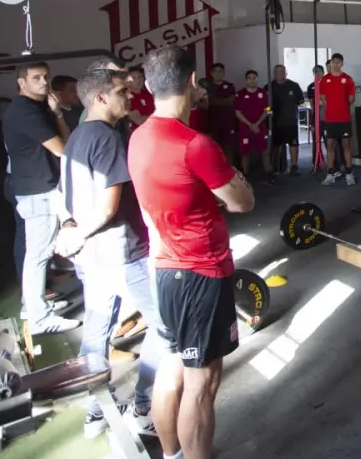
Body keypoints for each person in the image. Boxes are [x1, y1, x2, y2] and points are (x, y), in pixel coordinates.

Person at [129, 46, 255, 459]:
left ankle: (171, 455)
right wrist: (233, 180)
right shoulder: (195, 144)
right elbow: (242, 202)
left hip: (163, 268)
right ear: (193, 81)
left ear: (148, 86)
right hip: (201, 272)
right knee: (202, 384)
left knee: (172, 370)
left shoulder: (138, 136)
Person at [56, 68, 162, 439]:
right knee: (166, 327)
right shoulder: (106, 138)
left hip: (92, 257)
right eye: (121, 91)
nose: (128, 96)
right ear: (100, 97)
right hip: (121, 253)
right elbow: (107, 207)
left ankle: (96, 409)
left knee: (97, 330)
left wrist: (71, 232)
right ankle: (144, 407)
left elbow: (62, 193)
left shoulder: (77, 136)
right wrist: (76, 233)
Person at [2, 61, 79, 333]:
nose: (44, 82)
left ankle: (33, 306)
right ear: (22, 82)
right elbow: (62, 149)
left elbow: (66, 143)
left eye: (46, 77)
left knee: (39, 254)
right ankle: (39, 318)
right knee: (38, 255)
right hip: (37, 191)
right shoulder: (25, 112)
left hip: (42, 187)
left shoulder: (39, 109)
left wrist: (57, 114)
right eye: (36, 78)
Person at [319, 53, 357, 186]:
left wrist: (348, 100)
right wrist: (328, 105)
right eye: (333, 62)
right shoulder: (325, 79)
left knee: (346, 145)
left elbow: (351, 98)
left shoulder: (348, 79)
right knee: (330, 146)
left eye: (338, 62)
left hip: (344, 119)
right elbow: (322, 97)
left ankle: (348, 173)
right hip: (330, 119)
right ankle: (330, 173)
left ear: (342, 63)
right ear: (331, 64)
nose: (335, 65)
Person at [234, 70, 271, 180]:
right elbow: (237, 112)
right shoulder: (240, 94)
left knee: (264, 150)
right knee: (245, 152)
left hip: (261, 126)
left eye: (254, 78)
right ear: (246, 80)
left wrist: (257, 123)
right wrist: (250, 125)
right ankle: (245, 174)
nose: (251, 80)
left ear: (257, 79)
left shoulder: (264, 93)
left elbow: (267, 109)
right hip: (245, 127)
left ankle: (268, 172)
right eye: (249, 78)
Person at [268, 64, 304, 175]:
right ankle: (275, 167)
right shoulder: (269, 87)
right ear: (274, 74)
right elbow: (265, 105)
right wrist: (269, 113)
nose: (279, 74)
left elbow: (301, 100)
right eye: (277, 72)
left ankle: (294, 166)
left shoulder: (294, 85)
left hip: (291, 120)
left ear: (285, 73)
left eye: (282, 72)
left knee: (293, 144)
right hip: (276, 121)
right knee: (276, 145)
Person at [205, 64, 236, 164]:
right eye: (216, 71)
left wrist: (215, 101)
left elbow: (231, 101)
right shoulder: (207, 86)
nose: (219, 74)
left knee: (228, 147)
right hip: (212, 122)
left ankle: (230, 171)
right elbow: (207, 102)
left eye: (221, 71)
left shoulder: (230, 86)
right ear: (212, 73)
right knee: (214, 148)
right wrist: (223, 101)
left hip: (227, 121)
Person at [305, 65, 326, 172]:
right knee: (316, 140)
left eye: (319, 72)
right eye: (315, 72)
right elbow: (312, 105)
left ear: (323, 72)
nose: (317, 74)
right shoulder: (311, 87)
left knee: (329, 140)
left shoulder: (327, 84)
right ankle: (316, 162)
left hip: (327, 117)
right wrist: (314, 120)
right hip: (317, 117)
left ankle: (335, 163)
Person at [127, 66, 155, 132]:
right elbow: (138, 120)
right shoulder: (127, 99)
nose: (138, 80)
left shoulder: (149, 94)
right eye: (134, 78)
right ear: (128, 81)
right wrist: (158, 116)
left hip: (157, 129)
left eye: (140, 77)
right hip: (142, 134)